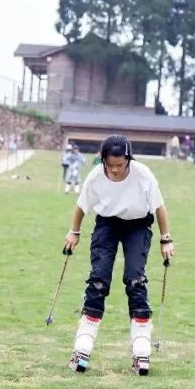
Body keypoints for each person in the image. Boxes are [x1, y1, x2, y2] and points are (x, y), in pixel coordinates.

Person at [63, 135, 175, 376]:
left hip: (138, 226)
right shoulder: (95, 176)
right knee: (98, 280)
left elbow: (159, 207)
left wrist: (166, 239)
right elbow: (81, 206)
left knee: (135, 280)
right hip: (107, 225)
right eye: (110, 165)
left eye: (120, 165)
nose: (114, 170)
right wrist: (74, 233)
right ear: (102, 160)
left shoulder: (143, 174)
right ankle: (82, 348)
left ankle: (141, 350)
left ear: (128, 160)